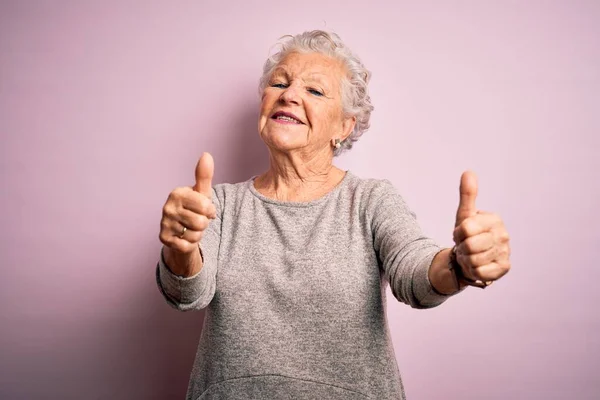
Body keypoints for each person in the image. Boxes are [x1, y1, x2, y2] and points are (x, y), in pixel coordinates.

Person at [156, 30, 511, 399]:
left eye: (314, 90)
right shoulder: (220, 204)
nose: (289, 95)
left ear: (344, 126)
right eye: (280, 82)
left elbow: (416, 274)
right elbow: (187, 293)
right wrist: (180, 246)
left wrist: (459, 265)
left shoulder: (370, 200)